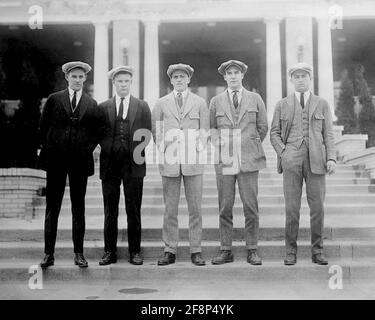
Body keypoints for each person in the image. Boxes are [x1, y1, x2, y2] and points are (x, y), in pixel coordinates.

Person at [39, 61, 105, 268]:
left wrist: (86, 148)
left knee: (79, 208)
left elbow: (96, 132)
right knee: (53, 208)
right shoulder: (54, 99)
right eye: (73, 76)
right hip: (56, 161)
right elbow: (43, 127)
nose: (77, 80)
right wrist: (52, 147)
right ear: (67, 77)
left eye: (81, 77)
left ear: (85, 79)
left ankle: (79, 253)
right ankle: (48, 254)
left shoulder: (91, 103)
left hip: (79, 162)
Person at [270, 62, 336, 266]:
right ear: (291, 80)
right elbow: (274, 133)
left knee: (317, 208)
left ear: (310, 79)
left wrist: (331, 157)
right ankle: (290, 251)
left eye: (304, 76)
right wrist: (284, 152)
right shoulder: (282, 104)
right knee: (292, 208)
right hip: (291, 161)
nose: (300, 79)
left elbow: (329, 134)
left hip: (316, 161)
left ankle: (317, 251)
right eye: (296, 76)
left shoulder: (322, 103)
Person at [209, 60, 268, 265]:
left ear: (242, 75)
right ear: (224, 77)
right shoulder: (216, 101)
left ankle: (252, 249)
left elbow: (262, 127)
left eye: (237, 72)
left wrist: (248, 145)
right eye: (229, 73)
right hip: (225, 159)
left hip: (249, 159)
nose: (233, 76)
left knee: (251, 206)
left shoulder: (255, 98)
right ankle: (226, 249)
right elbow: (211, 129)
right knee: (225, 206)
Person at [151, 63, 209, 266]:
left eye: (182, 76)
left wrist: (196, 151)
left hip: (193, 162)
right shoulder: (161, 103)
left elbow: (205, 131)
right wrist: (166, 150)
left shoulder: (200, 102)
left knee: (195, 209)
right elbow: (156, 131)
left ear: (189, 79)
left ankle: (196, 249)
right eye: (175, 77)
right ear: (171, 80)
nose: (179, 80)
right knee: (170, 209)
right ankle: (170, 249)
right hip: (170, 162)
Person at [98, 66, 151, 266]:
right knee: (110, 210)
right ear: (114, 83)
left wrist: (135, 151)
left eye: (126, 81)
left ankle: (135, 251)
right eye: (119, 81)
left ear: (131, 83)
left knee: (133, 209)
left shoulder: (142, 106)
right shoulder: (103, 107)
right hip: (110, 164)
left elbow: (147, 133)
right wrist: (111, 148)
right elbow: (99, 132)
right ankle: (109, 251)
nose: (123, 84)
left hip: (134, 164)